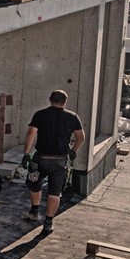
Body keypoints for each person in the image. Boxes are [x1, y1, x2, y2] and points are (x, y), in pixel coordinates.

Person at [22, 90, 84, 236]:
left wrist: (26, 154)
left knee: (34, 184)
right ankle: (48, 223)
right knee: (55, 192)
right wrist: (73, 150)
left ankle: (35, 211)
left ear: (50, 100)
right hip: (60, 161)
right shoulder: (72, 117)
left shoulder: (40, 115)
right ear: (65, 102)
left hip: (40, 159)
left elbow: (31, 134)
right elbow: (81, 138)